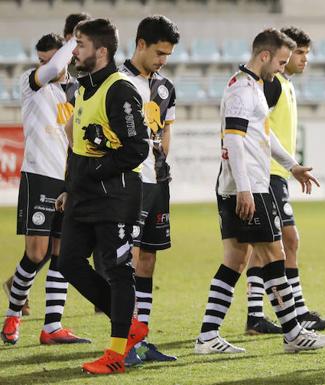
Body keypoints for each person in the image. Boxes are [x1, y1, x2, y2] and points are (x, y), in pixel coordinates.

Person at [194, 28, 325, 354]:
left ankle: (207, 336)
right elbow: (234, 140)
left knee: (235, 259)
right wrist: (245, 189)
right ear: (264, 56)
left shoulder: (253, 87)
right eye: (281, 61)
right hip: (249, 187)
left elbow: (263, 136)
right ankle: (294, 333)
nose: (282, 68)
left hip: (242, 185)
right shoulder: (243, 91)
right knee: (274, 256)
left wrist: (291, 165)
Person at [56, 18, 149, 375]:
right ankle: (130, 325)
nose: (75, 50)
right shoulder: (82, 88)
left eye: (80, 45)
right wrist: (68, 185)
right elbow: (78, 145)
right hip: (82, 194)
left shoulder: (119, 89)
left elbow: (138, 148)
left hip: (114, 197)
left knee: (117, 270)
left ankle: (115, 353)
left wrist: (93, 172)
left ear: (102, 51)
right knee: (68, 263)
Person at [244, 26, 325, 336]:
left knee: (262, 247)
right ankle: (295, 312)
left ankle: (257, 315)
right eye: (299, 53)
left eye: (307, 53)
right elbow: (253, 126)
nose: (304, 59)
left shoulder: (284, 84)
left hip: (276, 174)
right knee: (286, 241)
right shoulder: (273, 86)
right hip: (266, 174)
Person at [1, 33, 89, 346]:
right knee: (35, 253)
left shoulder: (76, 91)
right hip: (38, 176)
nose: (43, 65)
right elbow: (52, 70)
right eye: (40, 60)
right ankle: (12, 316)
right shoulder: (31, 82)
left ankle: (52, 327)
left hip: (67, 181)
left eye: (47, 59)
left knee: (60, 254)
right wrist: (73, 40)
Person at [118, 15, 179, 365]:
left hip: (157, 182)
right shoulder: (117, 83)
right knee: (129, 259)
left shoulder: (166, 87)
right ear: (140, 44)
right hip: (128, 184)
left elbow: (166, 129)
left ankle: (141, 338)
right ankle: (123, 340)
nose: (162, 60)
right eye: (158, 52)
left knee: (149, 260)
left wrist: (160, 158)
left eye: (167, 55)